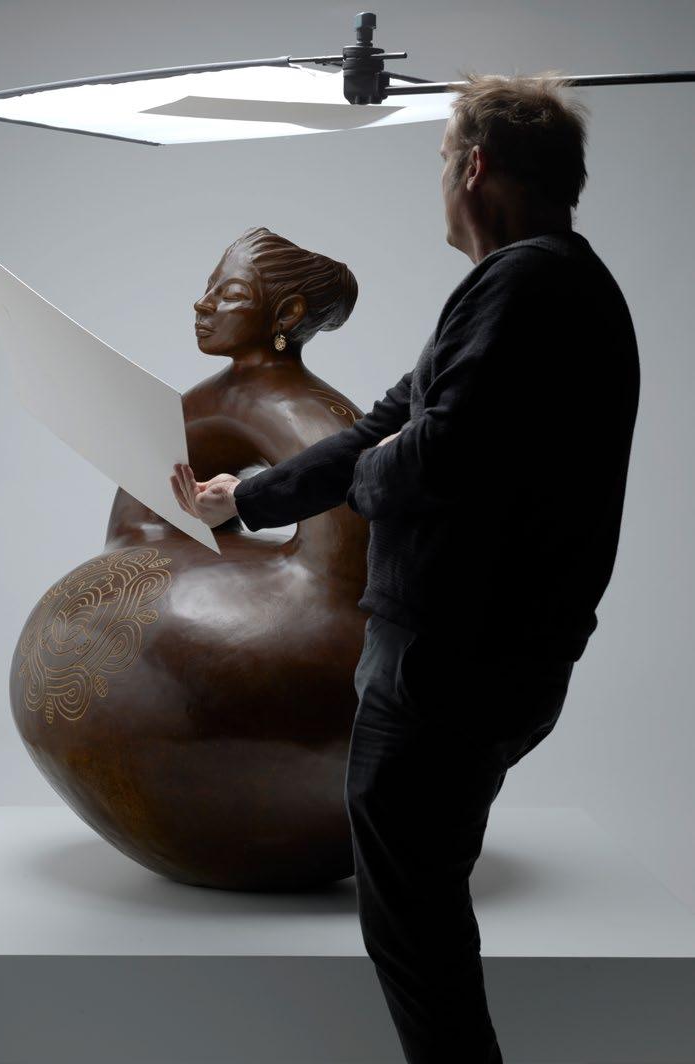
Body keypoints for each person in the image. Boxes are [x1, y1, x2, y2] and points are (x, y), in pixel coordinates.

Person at [172, 71, 640, 1064]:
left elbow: (432, 458)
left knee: (414, 926)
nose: (438, 181)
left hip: (451, 661)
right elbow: (386, 426)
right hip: (467, 656)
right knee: (416, 912)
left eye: (439, 159)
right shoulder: (527, 284)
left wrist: (388, 459)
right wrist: (244, 499)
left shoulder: (528, 284)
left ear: (472, 167)